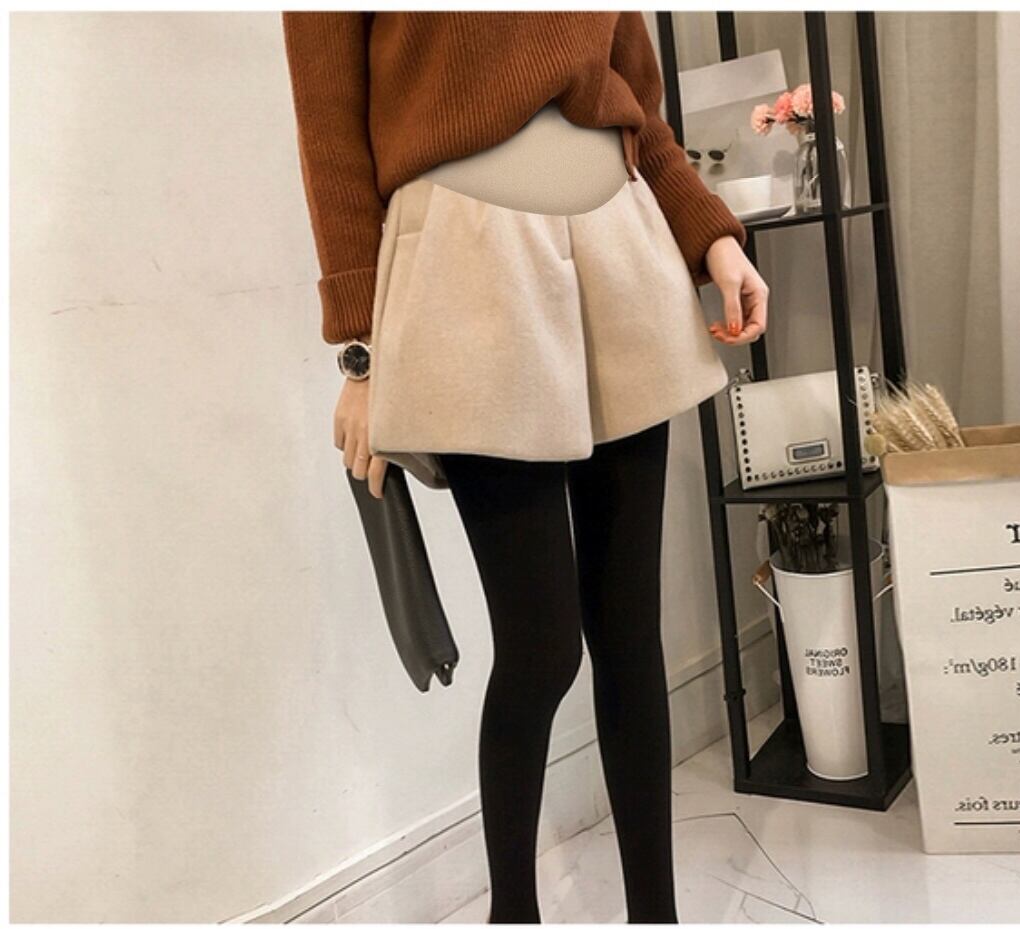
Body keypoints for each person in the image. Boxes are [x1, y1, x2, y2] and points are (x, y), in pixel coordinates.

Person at [282, 11, 768, 924]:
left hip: (622, 250)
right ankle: (512, 911)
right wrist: (359, 351)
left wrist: (713, 236)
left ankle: (655, 916)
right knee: (541, 647)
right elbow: (330, 133)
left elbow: (636, 105)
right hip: (465, 268)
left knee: (629, 632)